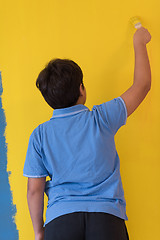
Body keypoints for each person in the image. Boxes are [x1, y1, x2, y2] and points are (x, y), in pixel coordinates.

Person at [23, 27, 151, 240]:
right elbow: (142, 85)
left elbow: (34, 190)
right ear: (81, 89)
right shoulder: (102, 117)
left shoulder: (40, 135)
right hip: (107, 220)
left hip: (60, 221)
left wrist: (39, 231)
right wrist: (140, 42)